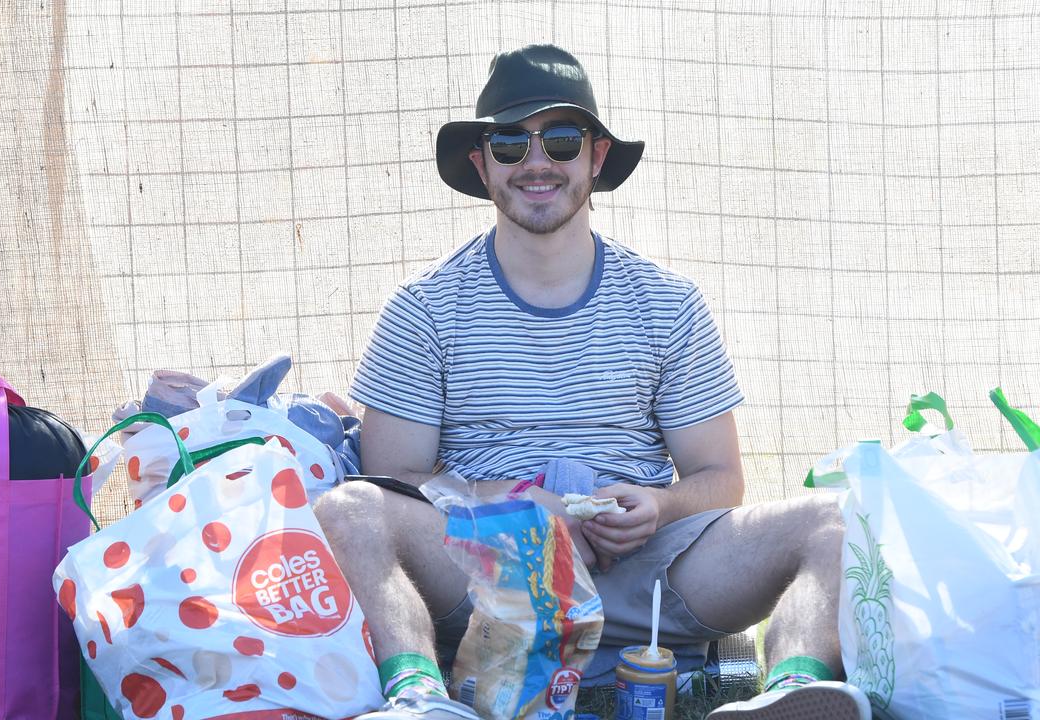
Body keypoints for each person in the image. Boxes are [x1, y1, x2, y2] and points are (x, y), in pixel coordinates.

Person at [313, 44, 870, 720]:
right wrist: (525, 503)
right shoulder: (422, 307)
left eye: (562, 139)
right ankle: (418, 699)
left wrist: (656, 509)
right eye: (511, 143)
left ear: (596, 158)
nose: (537, 162)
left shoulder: (669, 301)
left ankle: (790, 692)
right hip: (492, 574)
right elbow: (393, 478)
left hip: (653, 572)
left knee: (838, 520)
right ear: (481, 163)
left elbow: (721, 477)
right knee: (348, 510)